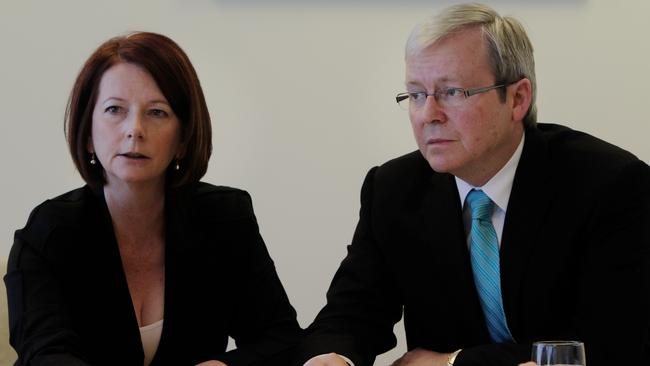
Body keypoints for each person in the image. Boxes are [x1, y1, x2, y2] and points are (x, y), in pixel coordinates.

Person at [296, 3, 650, 366]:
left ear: (517, 99)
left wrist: (452, 363)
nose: (429, 115)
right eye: (416, 94)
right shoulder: (393, 189)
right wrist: (332, 356)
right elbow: (351, 312)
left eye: (452, 92)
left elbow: (605, 344)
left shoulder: (608, 183)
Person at [4, 32, 301, 366]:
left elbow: (281, 339)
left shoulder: (225, 219)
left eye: (157, 112)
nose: (135, 129)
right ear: (88, 134)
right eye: (115, 109)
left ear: (183, 139)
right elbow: (46, 355)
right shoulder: (49, 232)